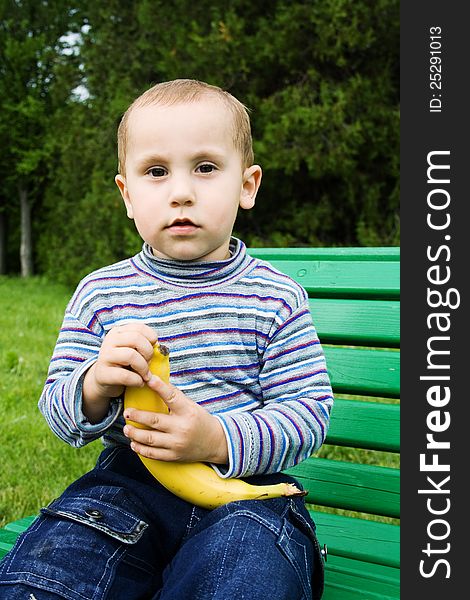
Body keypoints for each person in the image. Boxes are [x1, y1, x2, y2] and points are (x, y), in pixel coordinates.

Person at [0, 79, 333, 600]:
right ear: (128, 194)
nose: (180, 191)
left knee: (248, 576)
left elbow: (308, 412)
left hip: (244, 495)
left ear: (247, 186)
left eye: (205, 167)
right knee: (49, 575)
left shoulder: (275, 297)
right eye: (156, 172)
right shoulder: (101, 294)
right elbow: (59, 412)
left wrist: (217, 438)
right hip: (125, 489)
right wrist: (92, 386)